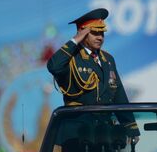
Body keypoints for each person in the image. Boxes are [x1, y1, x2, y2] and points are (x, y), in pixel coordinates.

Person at [47, 8, 139, 143]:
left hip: (105, 132)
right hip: (77, 133)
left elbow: (119, 94)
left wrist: (131, 127)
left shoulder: (108, 59)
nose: (100, 37)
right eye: (94, 33)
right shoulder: (71, 58)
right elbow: (53, 66)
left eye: (102, 33)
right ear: (82, 33)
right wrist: (75, 40)